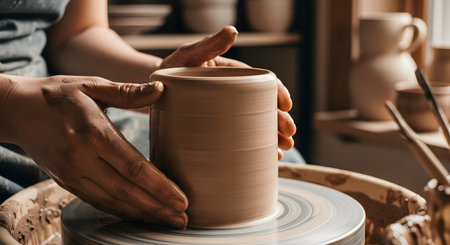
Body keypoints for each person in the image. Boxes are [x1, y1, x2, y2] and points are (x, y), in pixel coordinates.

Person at [0, 0, 302, 229]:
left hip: (49, 104)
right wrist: (13, 105)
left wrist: (168, 83)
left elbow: (76, 35)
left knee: (281, 163)